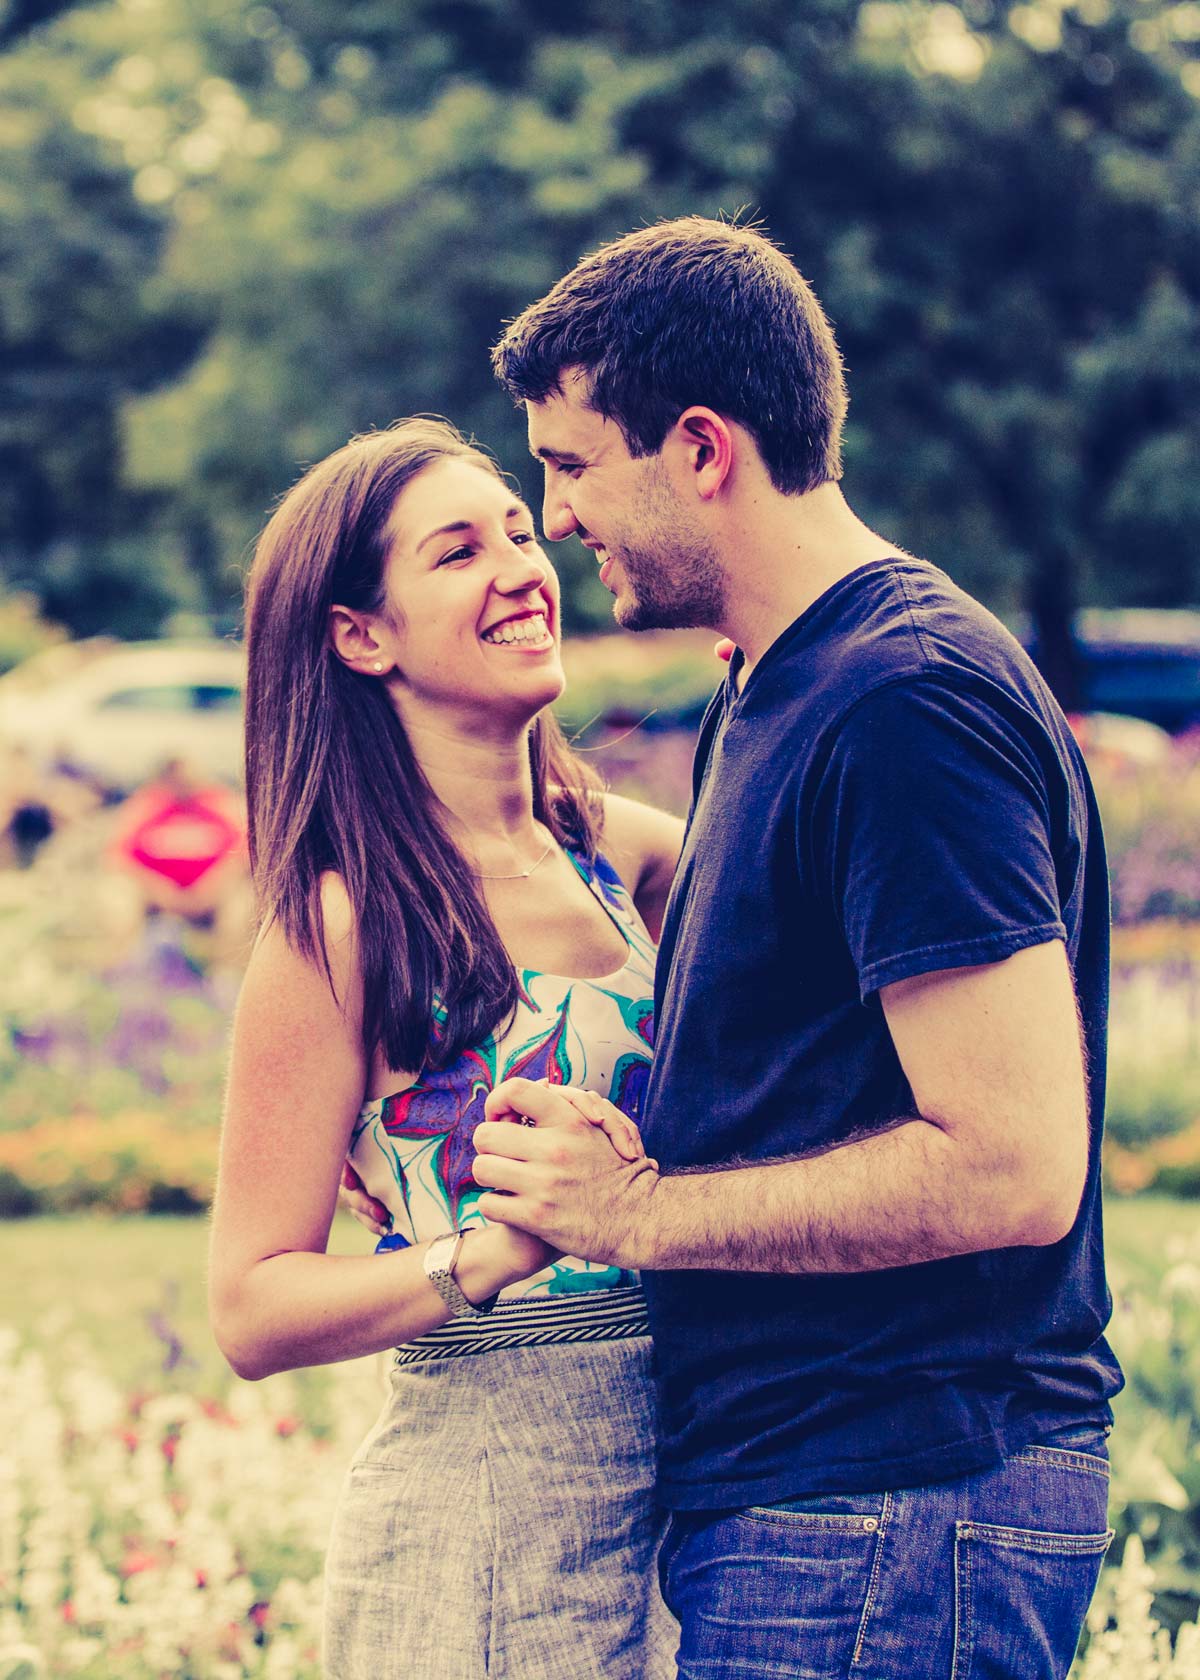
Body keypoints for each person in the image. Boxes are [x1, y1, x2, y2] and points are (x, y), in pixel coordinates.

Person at [467, 216, 1123, 1679]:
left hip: (889, 1500)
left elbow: (1012, 1163)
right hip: (828, 1504)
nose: (556, 518)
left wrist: (637, 1213)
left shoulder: (902, 704)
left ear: (702, 448)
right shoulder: (785, 684)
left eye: (571, 466)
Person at [207, 418, 684, 1679]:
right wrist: (482, 1252)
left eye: (521, 532)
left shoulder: (634, 857)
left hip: (692, 1492)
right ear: (363, 636)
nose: (522, 569)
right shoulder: (340, 926)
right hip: (480, 1518)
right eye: (459, 552)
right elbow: (251, 1304)